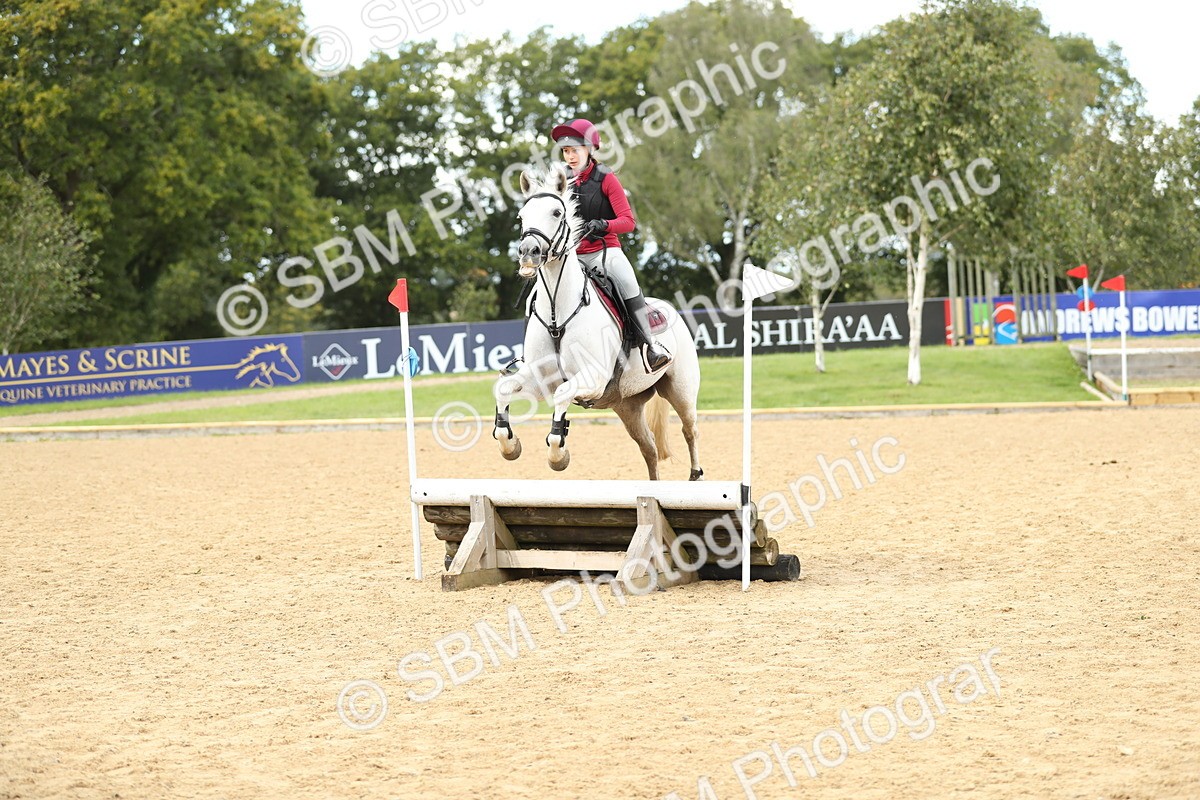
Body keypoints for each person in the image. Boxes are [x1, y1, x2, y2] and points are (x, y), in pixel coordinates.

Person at [550, 118, 671, 372]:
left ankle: (651, 346)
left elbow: (628, 222)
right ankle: (529, 359)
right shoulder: (560, 178)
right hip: (571, 256)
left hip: (605, 252)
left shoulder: (606, 177)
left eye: (575, 150)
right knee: (540, 291)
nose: (570, 156)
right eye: (566, 151)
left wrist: (604, 225)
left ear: (590, 149)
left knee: (627, 282)